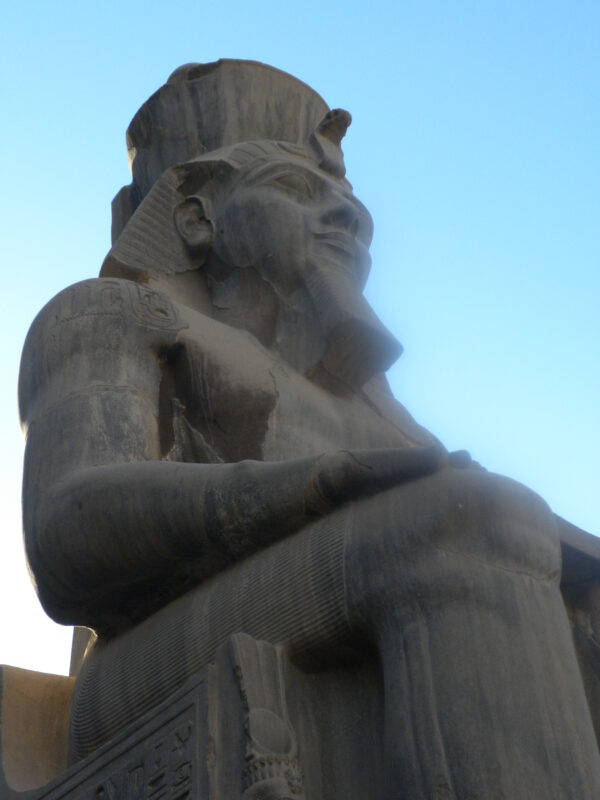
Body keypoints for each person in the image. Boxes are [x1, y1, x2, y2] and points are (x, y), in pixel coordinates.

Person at [19, 61, 600, 797]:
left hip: (330, 598)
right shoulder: (115, 314)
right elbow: (68, 533)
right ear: (197, 217)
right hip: (146, 664)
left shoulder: (376, 410)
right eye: (297, 190)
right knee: (473, 520)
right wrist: (310, 488)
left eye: (352, 207)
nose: (345, 219)